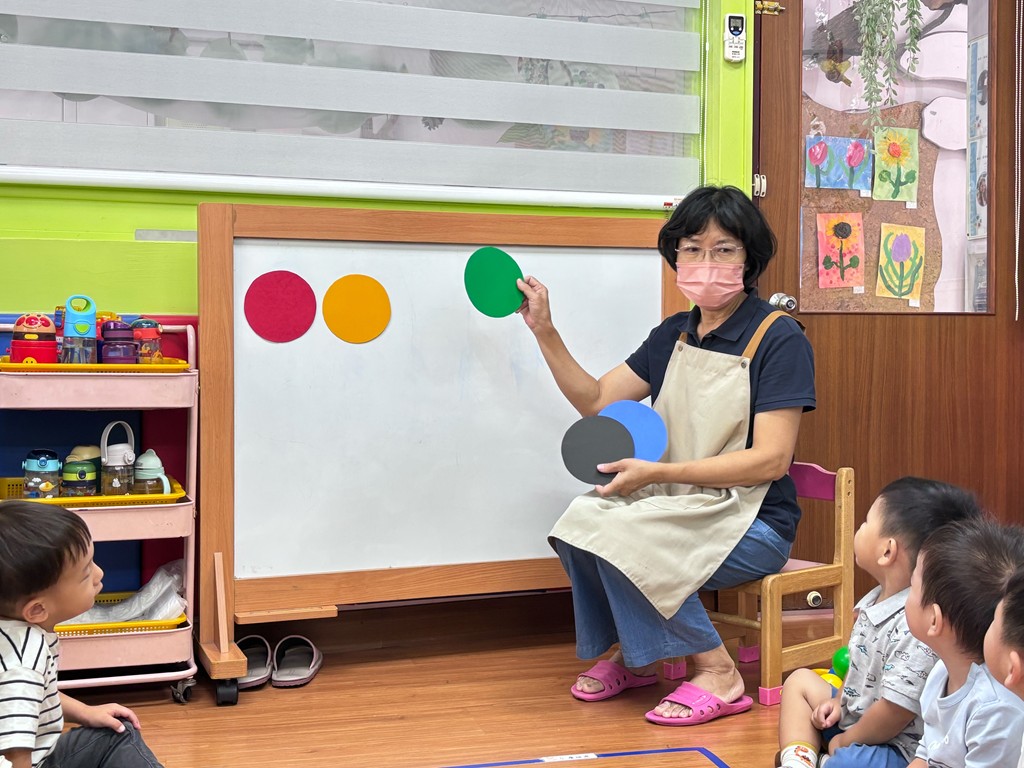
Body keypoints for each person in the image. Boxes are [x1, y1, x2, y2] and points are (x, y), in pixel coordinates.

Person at [516, 184, 815, 725]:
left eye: (724, 249)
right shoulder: (673, 335)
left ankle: (718, 672)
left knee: (623, 534)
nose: (706, 263)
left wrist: (657, 472)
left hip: (752, 523)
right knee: (582, 519)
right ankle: (639, 656)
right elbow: (597, 402)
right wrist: (545, 330)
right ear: (675, 256)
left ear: (749, 260)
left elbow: (771, 461)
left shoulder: (779, 338)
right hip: (678, 508)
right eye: (692, 249)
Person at [776, 478, 982, 768]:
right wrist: (838, 702)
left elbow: (894, 712)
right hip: (854, 719)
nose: (859, 529)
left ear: (887, 551)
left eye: (866, 522)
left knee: (850, 762)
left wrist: (845, 741)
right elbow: (856, 664)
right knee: (799, 682)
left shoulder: (915, 626)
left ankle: (825, 759)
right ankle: (799, 760)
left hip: (892, 745)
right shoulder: (874, 599)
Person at [0, 500, 164, 768]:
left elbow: (37, 697)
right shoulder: (24, 659)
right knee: (117, 737)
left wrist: (86, 712)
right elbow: (15, 749)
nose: (99, 574)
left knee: (114, 729)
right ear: (38, 609)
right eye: (86, 573)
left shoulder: (15, 634)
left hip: (38, 755)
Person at [905, 517, 1024, 767]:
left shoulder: (995, 709)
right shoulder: (942, 670)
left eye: (912, 586)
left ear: (934, 620)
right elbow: (928, 750)